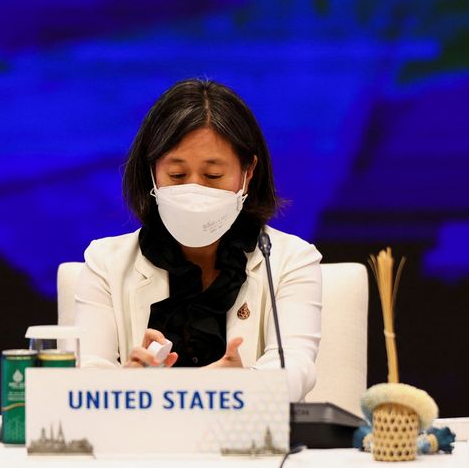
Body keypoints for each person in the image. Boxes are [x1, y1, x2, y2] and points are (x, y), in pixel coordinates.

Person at [75, 78, 322, 401]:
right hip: (139, 446)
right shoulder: (106, 262)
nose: (194, 189)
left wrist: (241, 386)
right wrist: (125, 385)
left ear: (248, 174)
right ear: (152, 173)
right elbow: (84, 375)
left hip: (248, 445)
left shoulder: (290, 259)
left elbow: (295, 367)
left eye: (213, 176)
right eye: (177, 175)